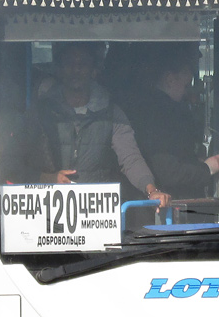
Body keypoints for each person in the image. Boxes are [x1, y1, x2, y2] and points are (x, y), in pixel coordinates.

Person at [18, 42, 170, 207]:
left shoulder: (111, 113)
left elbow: (130, 158)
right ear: (59, 70)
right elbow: (14, 164)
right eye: (69, 63)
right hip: (44, 213)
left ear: (94, 70)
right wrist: (46, 178)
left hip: (96, 215)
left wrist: (152, 190)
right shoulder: (40, 112)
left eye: (82, 64)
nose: (76, 70)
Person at [121, 44, 219, 199]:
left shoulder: (150, 109)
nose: (188, 92)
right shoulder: (160, 116)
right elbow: (168, 172)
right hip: (166, 202)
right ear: (170, 79)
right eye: (186, 84)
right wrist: (206, 169)